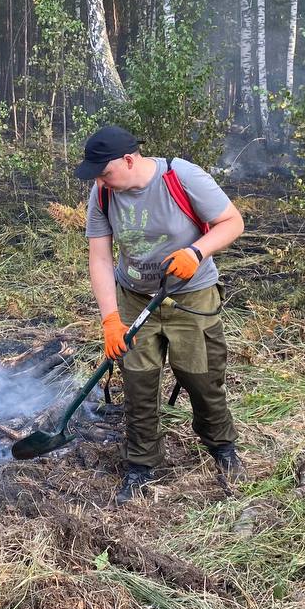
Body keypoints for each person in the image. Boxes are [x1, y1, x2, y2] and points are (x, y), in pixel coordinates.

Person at [77, 125, 246, 503]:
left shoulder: (181, 176)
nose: (102, 181)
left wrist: (196, 252)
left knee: (202, 378)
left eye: (106, 172)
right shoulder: (103, 194)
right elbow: (100, 257)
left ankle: (221, 446)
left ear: (129, 159)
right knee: (138, 383)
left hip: (191, 297)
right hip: (136, 297)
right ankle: (140, 463)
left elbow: (232, 222)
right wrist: (110, 319)